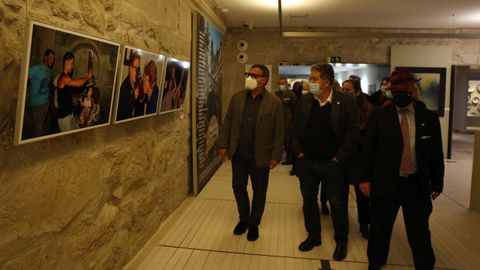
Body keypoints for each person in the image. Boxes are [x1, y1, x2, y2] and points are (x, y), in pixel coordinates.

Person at [359, 68, 444, 270]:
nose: (402, 93)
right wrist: (364, 179)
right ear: (391, 91)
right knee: (380, 229)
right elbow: (367, 150)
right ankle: (376, 263)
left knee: (420, 231)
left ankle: (425, 266)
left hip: (416, 184)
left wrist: (438, 182)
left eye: (406, 89)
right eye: (397, 89)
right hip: (386, 182)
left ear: (413, 89)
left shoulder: (428, 118)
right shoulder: (379, 115)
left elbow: (436, 153)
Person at [291, 63, 359, 261]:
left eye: (313, 79)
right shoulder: (304, 101)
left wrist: (339, 158)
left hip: (334, 164)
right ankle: (314, 236)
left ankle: (341, 241)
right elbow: (294, 128)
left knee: (338, 204)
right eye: (310, 78)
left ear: (326, 82)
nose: (309, 82)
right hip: (307, 163)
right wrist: (299, 154)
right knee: (309, 202)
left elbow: (352, 132)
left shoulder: (346, 102)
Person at [217, 64, 284, 242]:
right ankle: (244, 218)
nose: (250, 78)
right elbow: (228, 122)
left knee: (259, 191)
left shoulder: (274, 102)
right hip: (239, 154)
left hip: (261, 155)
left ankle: (254, 223)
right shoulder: (237, 98)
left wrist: (276, 155)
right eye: (248, 74)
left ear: (265, 80)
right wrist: (223, 144)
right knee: (238, 188)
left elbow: (279, 131)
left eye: (254, 75)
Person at [342, 78, 374, 239]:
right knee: (340, 192)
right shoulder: (339, 107)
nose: (344, 92)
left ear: (357, 92)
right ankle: (341, 225)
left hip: (359, 157)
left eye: (347, 90)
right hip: (343, 156)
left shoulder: (368, 110)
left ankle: (364, 223)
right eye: (343, 89)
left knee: (362, 194)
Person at [56, 52, 94, 131]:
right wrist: (88, 77)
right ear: (66, 62)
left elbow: (77, 85)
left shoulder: (67, 77)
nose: (73, 66)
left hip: (69, 115)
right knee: (67, 142)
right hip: (64, 119)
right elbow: (77, 84)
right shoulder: (63, 78)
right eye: (72, 63)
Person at [27, 49, 55, 137]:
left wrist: (50, 102)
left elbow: (48, 86)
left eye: (53, 59)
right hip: (37, 106)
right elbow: (23, 80)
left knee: (39, 128)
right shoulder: (36, 68)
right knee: (37, 132)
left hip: (46, 104)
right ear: (45, 57)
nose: (52, 61)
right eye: (50, 58)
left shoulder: (49, 71)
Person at [274, 77, 297, 168]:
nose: (281, 85)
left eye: (283, 83)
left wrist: (293, 122)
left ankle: (289, 159)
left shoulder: (291, 95)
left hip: (288, 122)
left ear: (287, 84)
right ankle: (276, 158)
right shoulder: (275, 94)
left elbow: (295, 109)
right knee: (278, 142)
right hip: (278, 122)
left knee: (289, 143)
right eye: (280, 83)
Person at [117, 52, 140, 121]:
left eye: (138, 68)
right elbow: (121, 113)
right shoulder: (124, 86)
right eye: (135, 68)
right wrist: (134, 97)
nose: (137, 72)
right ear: (130, 68)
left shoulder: (136, 83)